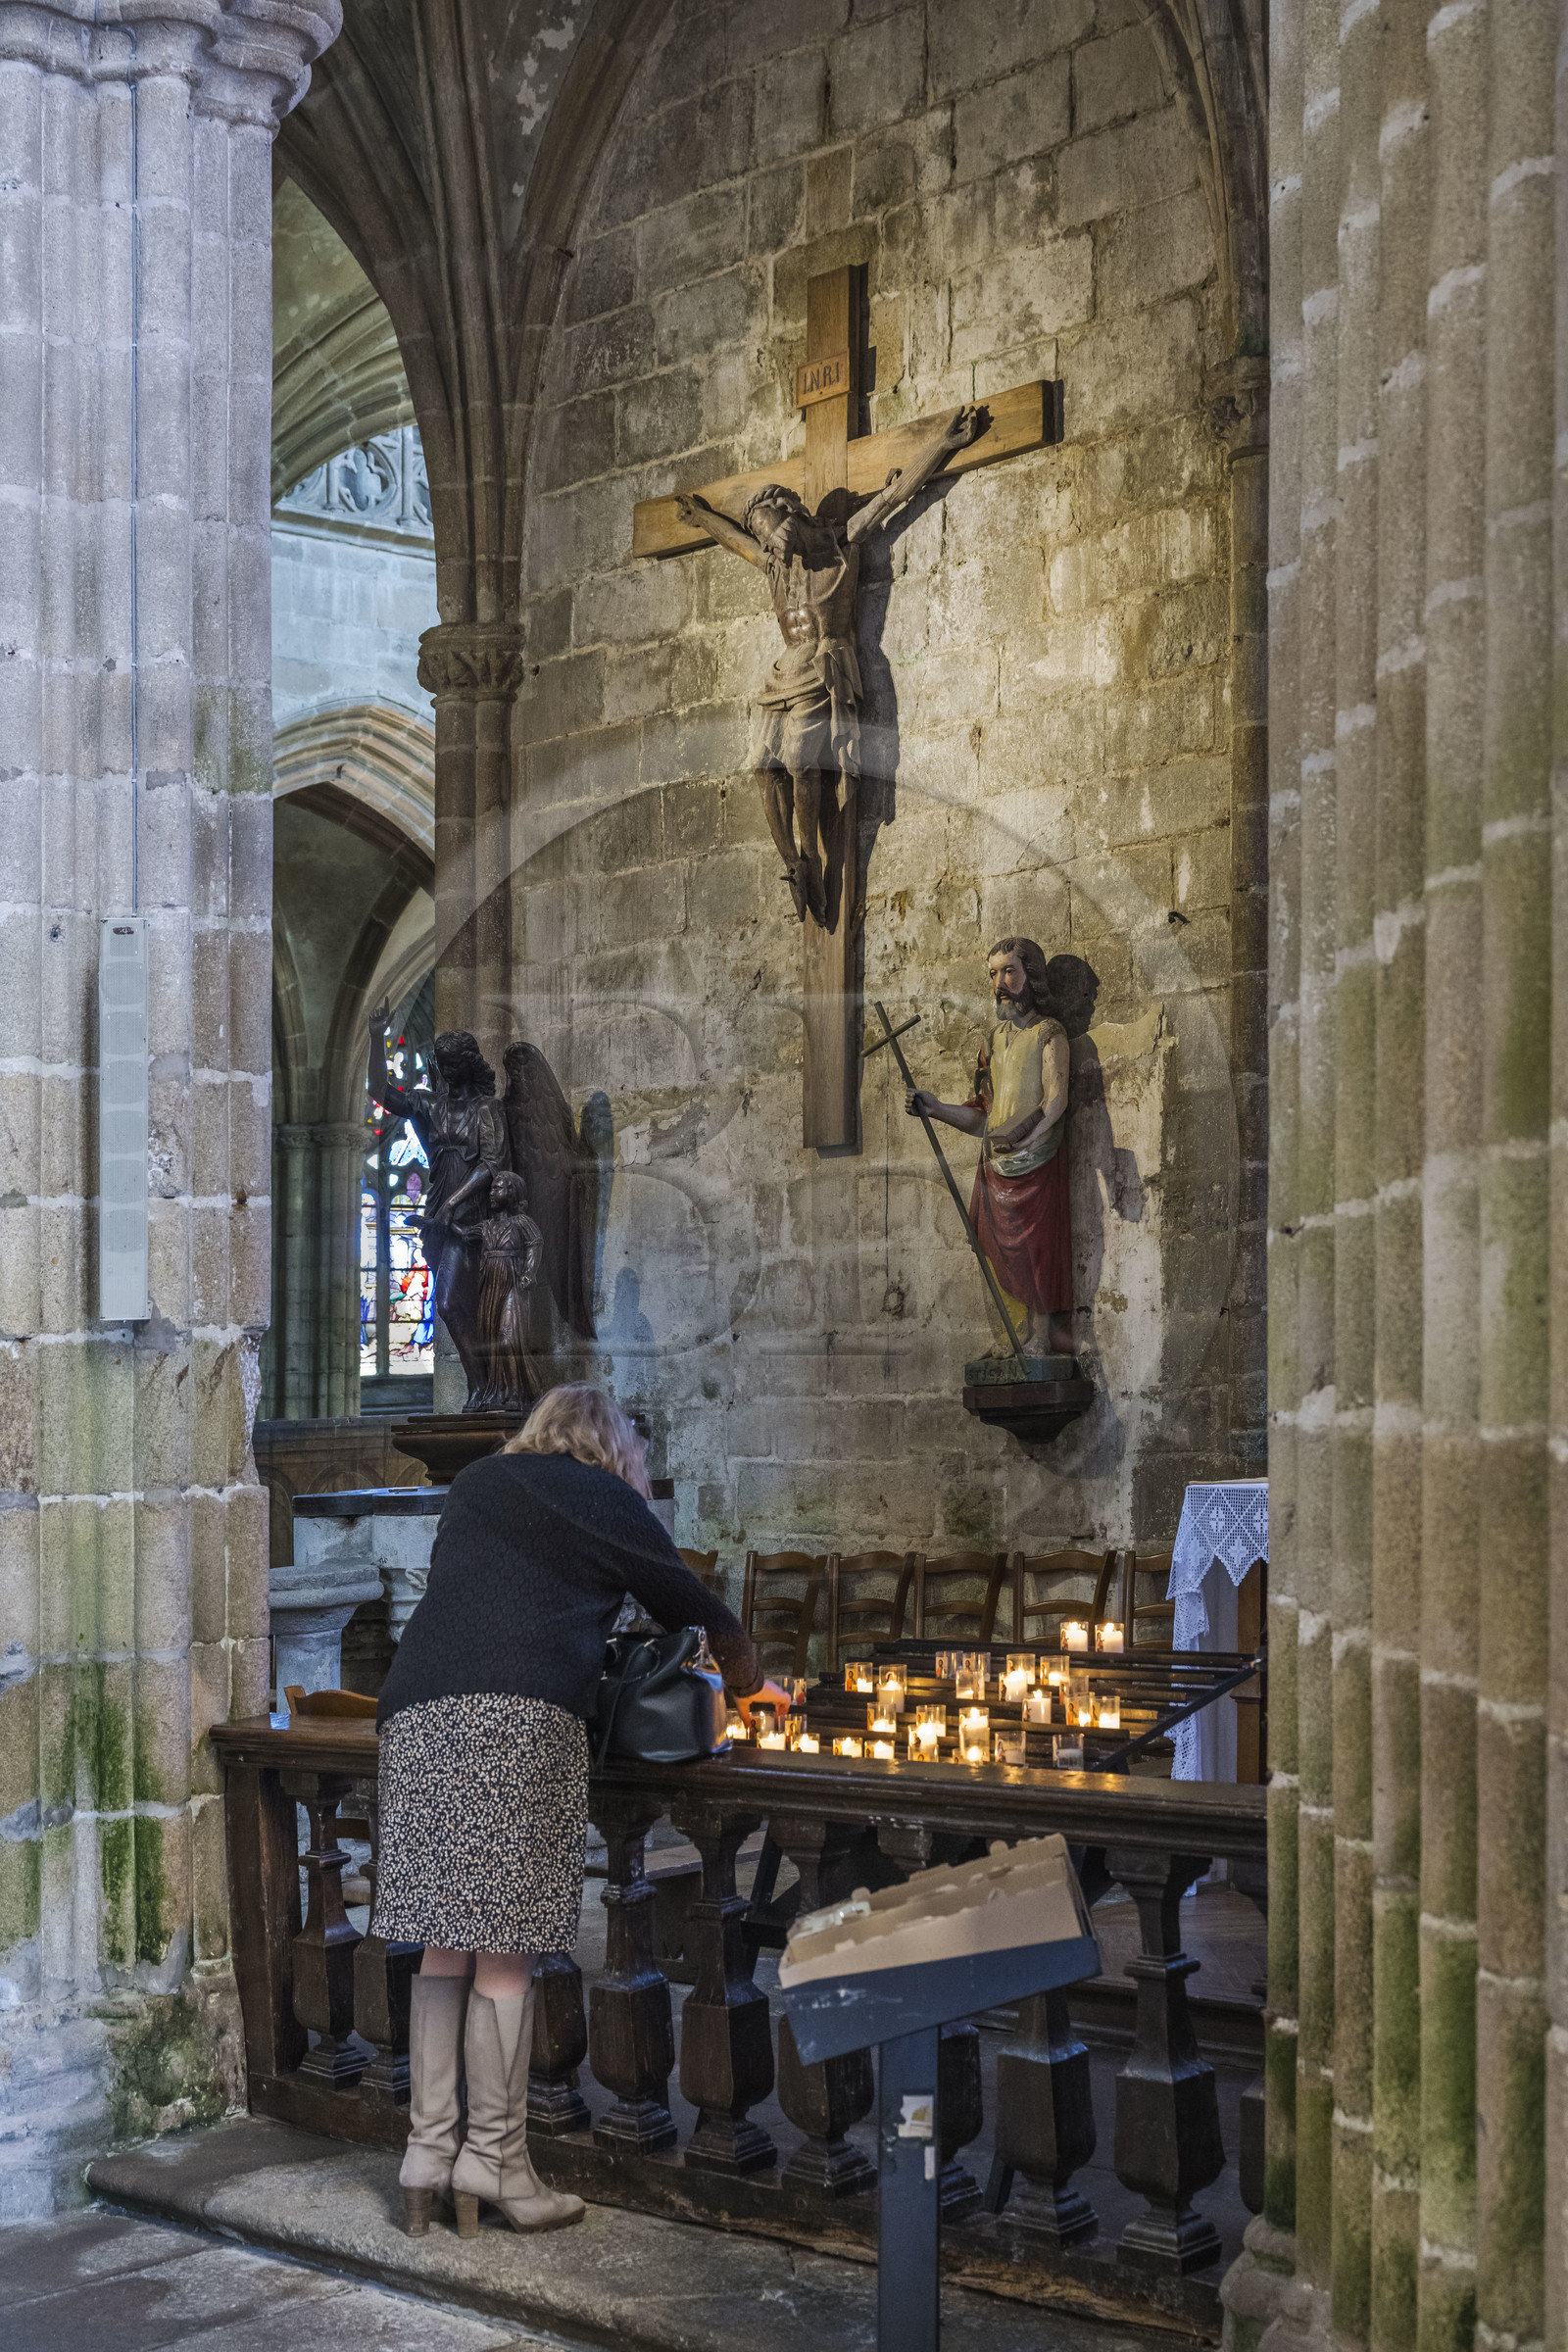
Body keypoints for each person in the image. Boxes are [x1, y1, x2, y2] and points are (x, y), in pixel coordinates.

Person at [370, 1385, 786, 2239]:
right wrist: (754, 1687)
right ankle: (495, 2163)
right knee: (506, 1956)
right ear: (614, 1451)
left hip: (414, 1715)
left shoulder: (480, 1481)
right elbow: (698, 1610)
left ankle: (426, 2156)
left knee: (443, 1944)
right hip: (516, 1718)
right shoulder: (604, 1497)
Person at [675, 405, 983, 926]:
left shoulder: (842, 543)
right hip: (784, 670)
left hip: (824, 664)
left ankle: (811, 854)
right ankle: (795, 864)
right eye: (762, 534)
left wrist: (942, 445)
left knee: (801, 761)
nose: (767, 541)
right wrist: (703, 517)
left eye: (770, 527)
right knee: (764, 768)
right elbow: (735, 541)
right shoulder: (774, 565)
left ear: (791, 514)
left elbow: (893, 498)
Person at [905, 936, 1074, 1357]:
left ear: (1031, 975)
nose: (999, 983)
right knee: (998, 1251)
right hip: (995, 1167)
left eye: (1009, 971)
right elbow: (984, 1115)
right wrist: (936, 1109)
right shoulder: (993, 1042)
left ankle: (1041, 1338)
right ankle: (1012, 1336)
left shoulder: (1049, 1033)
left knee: (1037, 1251)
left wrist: (1022, 1141)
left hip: (1036, 1162)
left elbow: (1055, 1101)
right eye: (994, 974)